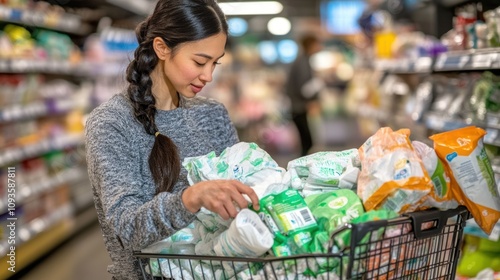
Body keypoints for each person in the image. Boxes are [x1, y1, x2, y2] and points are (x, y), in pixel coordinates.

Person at [84, 0, 260, 279]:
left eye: (215, 63)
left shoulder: (213, 114)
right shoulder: (112, 123)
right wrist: (191, 197)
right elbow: (127, 228)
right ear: (162, 48)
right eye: (200, 62)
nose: (209, 75)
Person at [285, 34, 324, 156]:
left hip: (299, 106)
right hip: (300, 107)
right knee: (307, 142)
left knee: (306, 141)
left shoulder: (303, 60)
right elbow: (304, 89)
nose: (319, 47)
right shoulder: (302, 62)